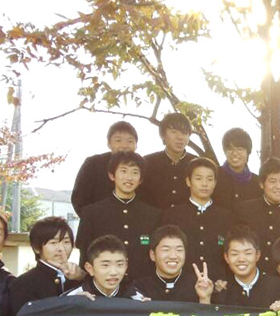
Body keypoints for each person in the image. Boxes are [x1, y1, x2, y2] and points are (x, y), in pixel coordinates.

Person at [75, 150, 160, 278]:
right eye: (123, 171)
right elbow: (85, 255)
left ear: (141, 179)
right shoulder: (91, 213)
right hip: (104, 284)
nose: (129, 177)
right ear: (112, 175)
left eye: (135, 172)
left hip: (142, 284)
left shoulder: (153, 214)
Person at [161, 157, 232, 280]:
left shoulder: (227, 217)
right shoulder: (172, 215)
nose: (204, 184)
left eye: (209, 179)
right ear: (188, 181)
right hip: (181, 283)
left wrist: (224, 280)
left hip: (218, 283)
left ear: (215, 183)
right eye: (198, 178)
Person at [71, 121, 139, 216]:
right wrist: (91, 220)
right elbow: (79, 198)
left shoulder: (141, 166)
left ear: (136, 145)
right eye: (118, 140)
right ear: (109, 143)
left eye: (130, 141)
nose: (124, 145)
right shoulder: (93, 163)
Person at [139, 112, 196, 211]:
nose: (180, 137)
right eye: (174, 132)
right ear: (163, 135)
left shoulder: (197, 164)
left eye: (184, 133)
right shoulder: (147, 162)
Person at [213, 128, 262, 211]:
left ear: (248, 152)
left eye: (240, 149)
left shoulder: (257, 182)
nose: (235, 153)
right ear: (225, 152)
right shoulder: (214, 176)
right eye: (230, 149)